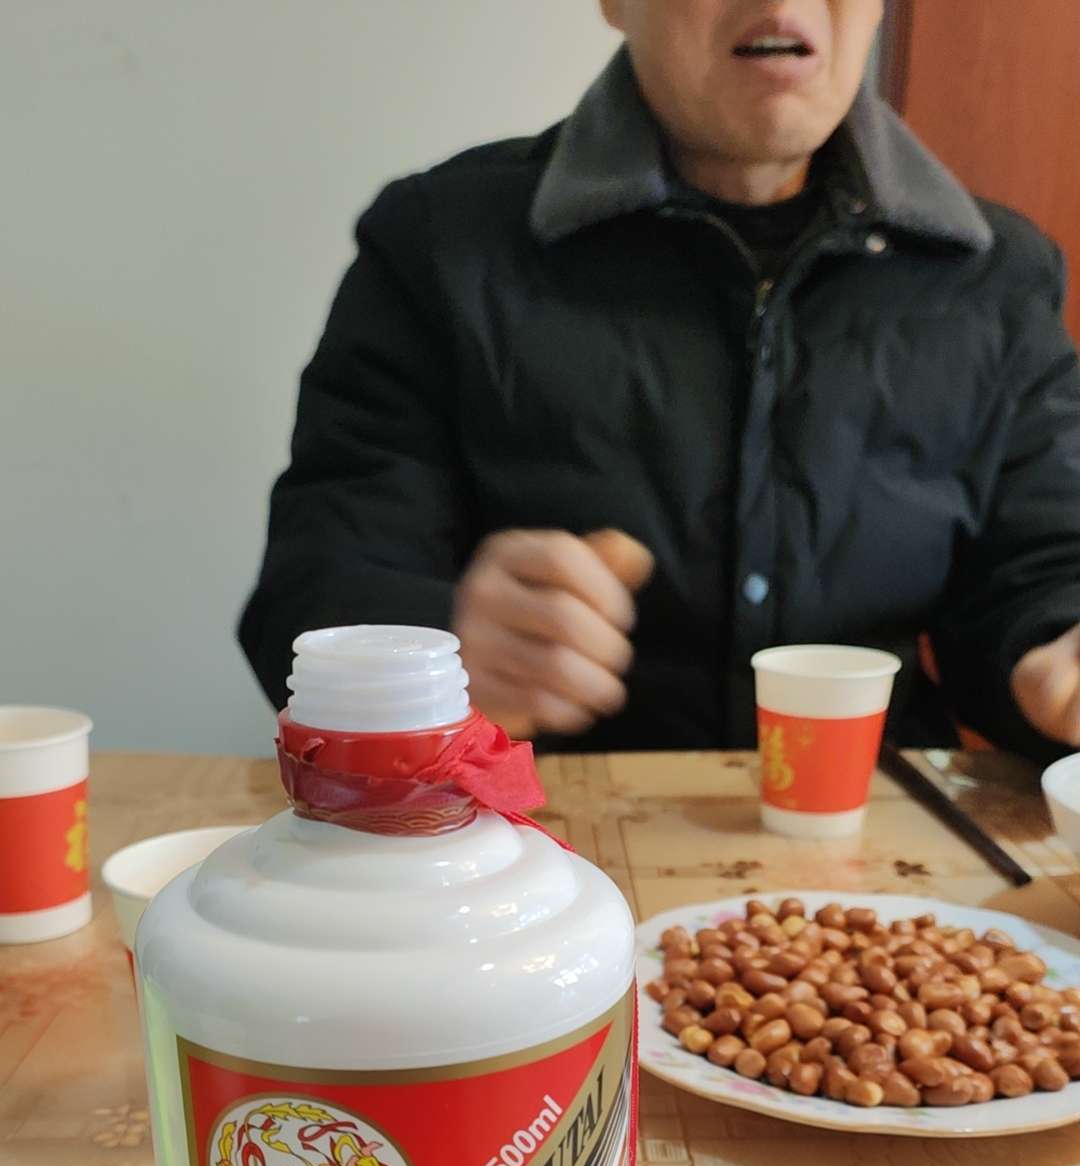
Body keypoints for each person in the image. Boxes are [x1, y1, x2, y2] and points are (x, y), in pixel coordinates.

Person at [238, 0, 1080, 758]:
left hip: (882, 843)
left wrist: (1052, 652)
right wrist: (430, 657)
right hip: (525, 848)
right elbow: (321, 579)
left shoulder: (994, 277)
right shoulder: (440, 247)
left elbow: (1040, 568)